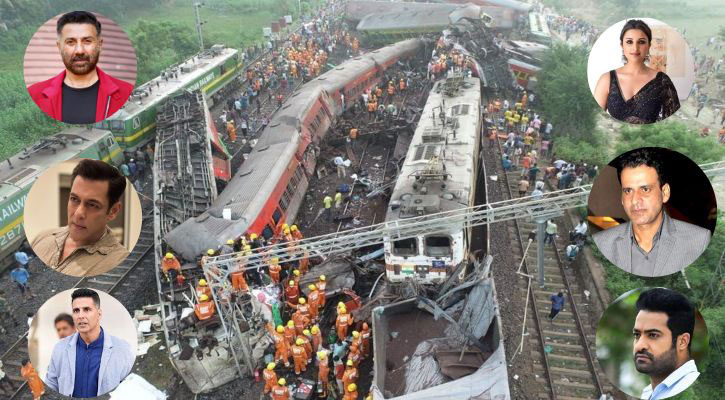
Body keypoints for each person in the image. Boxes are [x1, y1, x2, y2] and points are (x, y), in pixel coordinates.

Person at [592, 148, 711, 277]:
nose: (635, 201)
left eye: (645, 189)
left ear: (665, 193)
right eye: (628, 191)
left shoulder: (698, 239)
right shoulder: (604, 241)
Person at [26, 11, 134, 123]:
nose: (79, 51)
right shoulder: (36, 94)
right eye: (70, 42)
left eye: (87, 41)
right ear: (59, 47)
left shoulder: (124, 91)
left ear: (100, 44)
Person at [31, 159, 130, 276]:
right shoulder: (42, 238)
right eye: (74, 199)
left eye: (92, 205)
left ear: (113, 211)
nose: (78, 213)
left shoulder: (118, 259)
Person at [45, 288, 134, 397]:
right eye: (76, 311)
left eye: (86, 309)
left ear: (99, 314)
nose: (80, 316)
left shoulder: (121, 349)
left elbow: (128, 389)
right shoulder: (60, 348)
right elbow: (51, 385)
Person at [593, 19, 680, 124]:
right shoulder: (607, 79)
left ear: (649, 46)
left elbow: (673, 123)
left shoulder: (662, 81)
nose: (635, 48)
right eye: (629, 42)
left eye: (641, 42)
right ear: (622, 45)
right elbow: (595, 119)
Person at [633, 288, 699, 399]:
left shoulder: (691, 392)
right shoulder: (648, 392)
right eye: (637, 335)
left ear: (682, 342)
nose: (639, 346)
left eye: (653, 335)